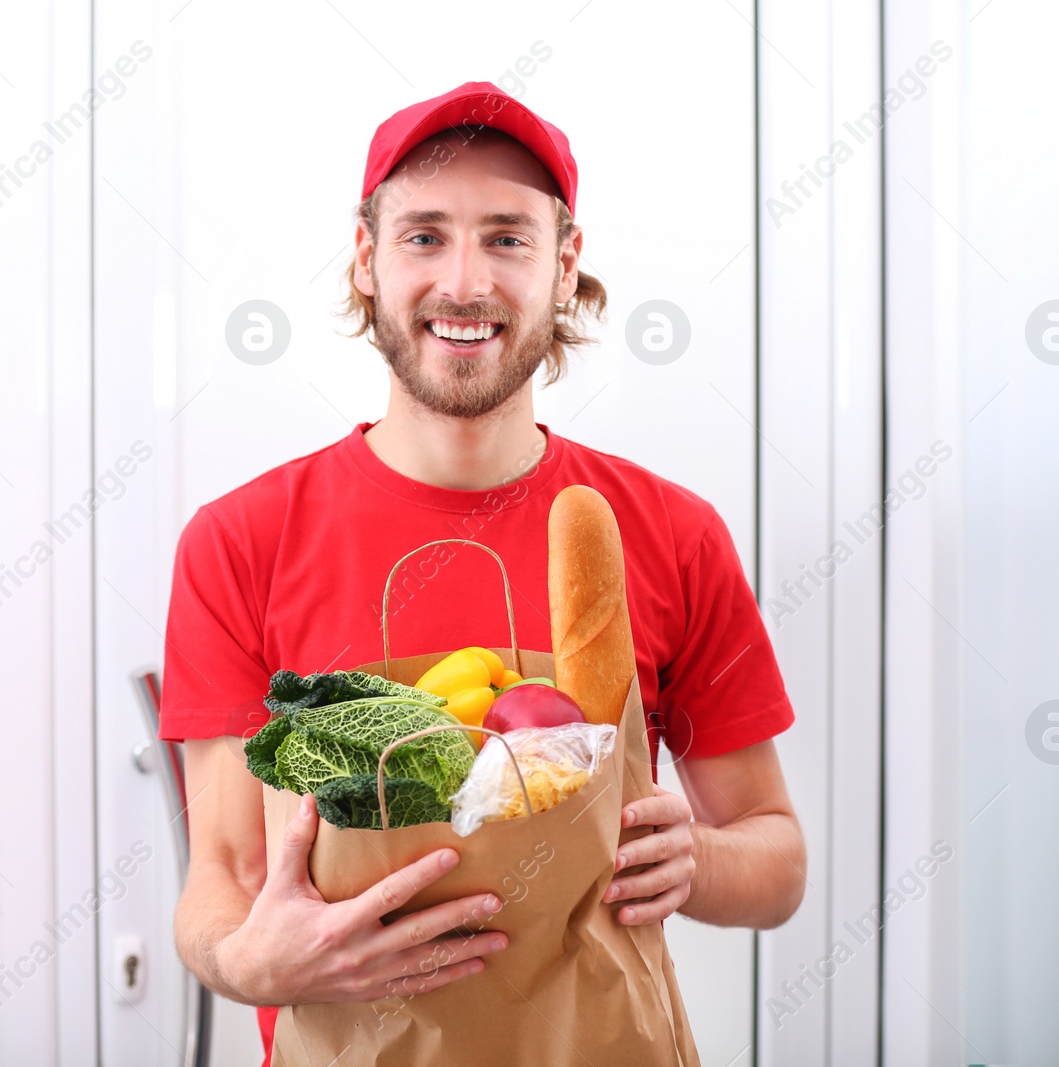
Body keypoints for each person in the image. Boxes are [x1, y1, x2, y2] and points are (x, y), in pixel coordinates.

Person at [160, 81, 805, 1065]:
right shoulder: (239, 539)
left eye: (507, 237)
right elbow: (223, 874)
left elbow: (776, 857)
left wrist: (700, 860)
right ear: (367, 259)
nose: (464, 281)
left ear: (563, 265)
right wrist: (248, 963)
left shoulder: (670, 531)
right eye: (424, 235)